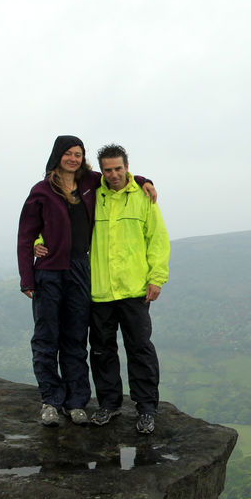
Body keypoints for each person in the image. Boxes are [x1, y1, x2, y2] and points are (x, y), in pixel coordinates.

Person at [17, 135, 155, 427]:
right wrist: (27, 277)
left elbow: (118, 175)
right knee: (46, 338)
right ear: (57, 156)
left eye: (78, 154)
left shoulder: (90, 183)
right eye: (68, 153)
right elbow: (26, 236)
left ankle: (76, 401)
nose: (73, 159)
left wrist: (145, 179)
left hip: (80, 270)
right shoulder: (41, 191)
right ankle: (51, 400)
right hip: (50, 271)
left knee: (76, 338)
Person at [86, 144, 170, 435]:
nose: (113, 175)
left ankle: (146, 409)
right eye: (107, 170)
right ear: (101, 170)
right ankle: (109, 404)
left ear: (127, 167)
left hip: (135, 290)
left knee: (140, 349)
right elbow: (63, 222)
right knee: (101, 351)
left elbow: (157, 239)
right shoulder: (91, 195)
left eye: (118, 169)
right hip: (100, 291)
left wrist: (157, 277)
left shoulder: (143, 196)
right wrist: (39, 241)